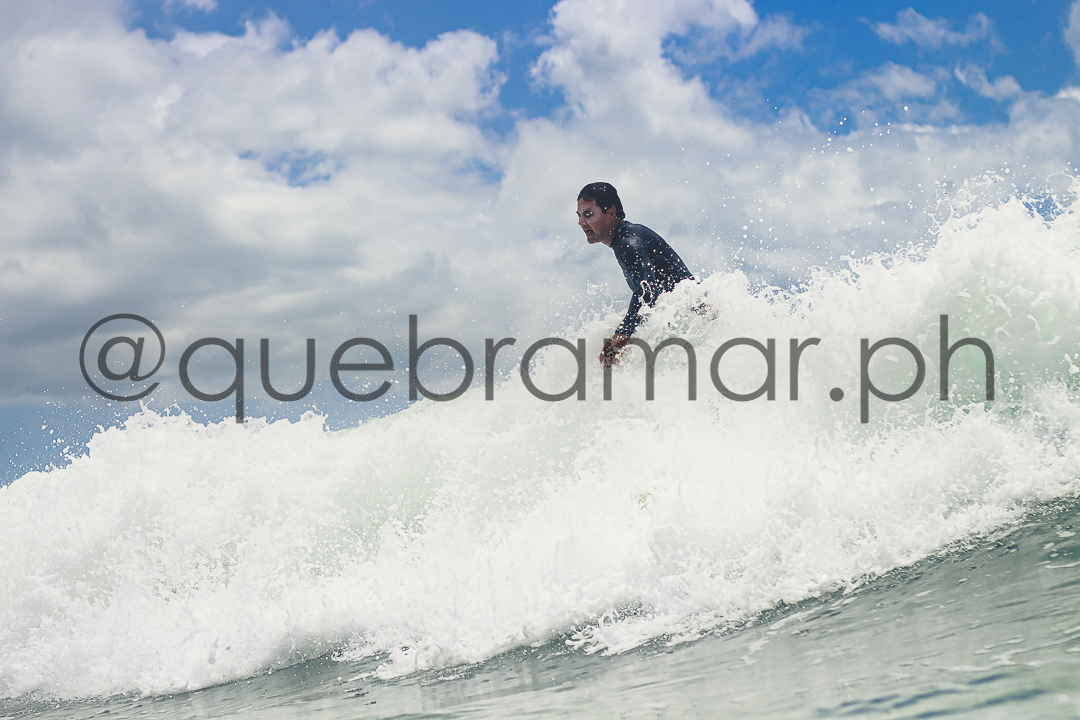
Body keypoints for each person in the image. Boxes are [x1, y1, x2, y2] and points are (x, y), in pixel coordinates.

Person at [577, 182, 695, 365]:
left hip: (697, 320)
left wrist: (620, 337)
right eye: (579, 216)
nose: (581, 222)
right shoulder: (628, 235)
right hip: (695, 323)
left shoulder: (627, 243)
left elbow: (647, 291)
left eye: (588, 214)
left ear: (611, 213)